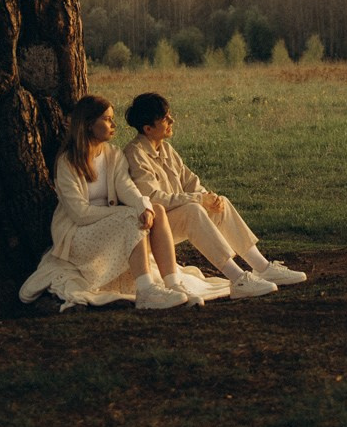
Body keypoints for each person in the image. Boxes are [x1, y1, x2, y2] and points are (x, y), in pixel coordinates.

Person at [20, 94, 204, 311]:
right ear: (89, 124)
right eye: (107, 119)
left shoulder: (113, 155)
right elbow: (79, 214)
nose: (113, 125)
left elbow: (126, 187)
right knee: (129, 216)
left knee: (156, 210)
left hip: (112, 226)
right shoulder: (67, 163)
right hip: (78, 235)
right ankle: (146, 292)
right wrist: (124, 213)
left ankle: (174, 285)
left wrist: (142, 206)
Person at [122, 91, 308, 298]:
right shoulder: (135, 154)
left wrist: (209, 198)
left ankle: (263, 268)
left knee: (222, 204)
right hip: (154, 229)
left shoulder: (166, 149)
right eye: (165, 119)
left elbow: (190, 181)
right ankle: (237, 279)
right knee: (192, 210)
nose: (172, 120)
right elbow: (153, 198)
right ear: (148, 128)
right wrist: (199, 199)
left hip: (177, 215)